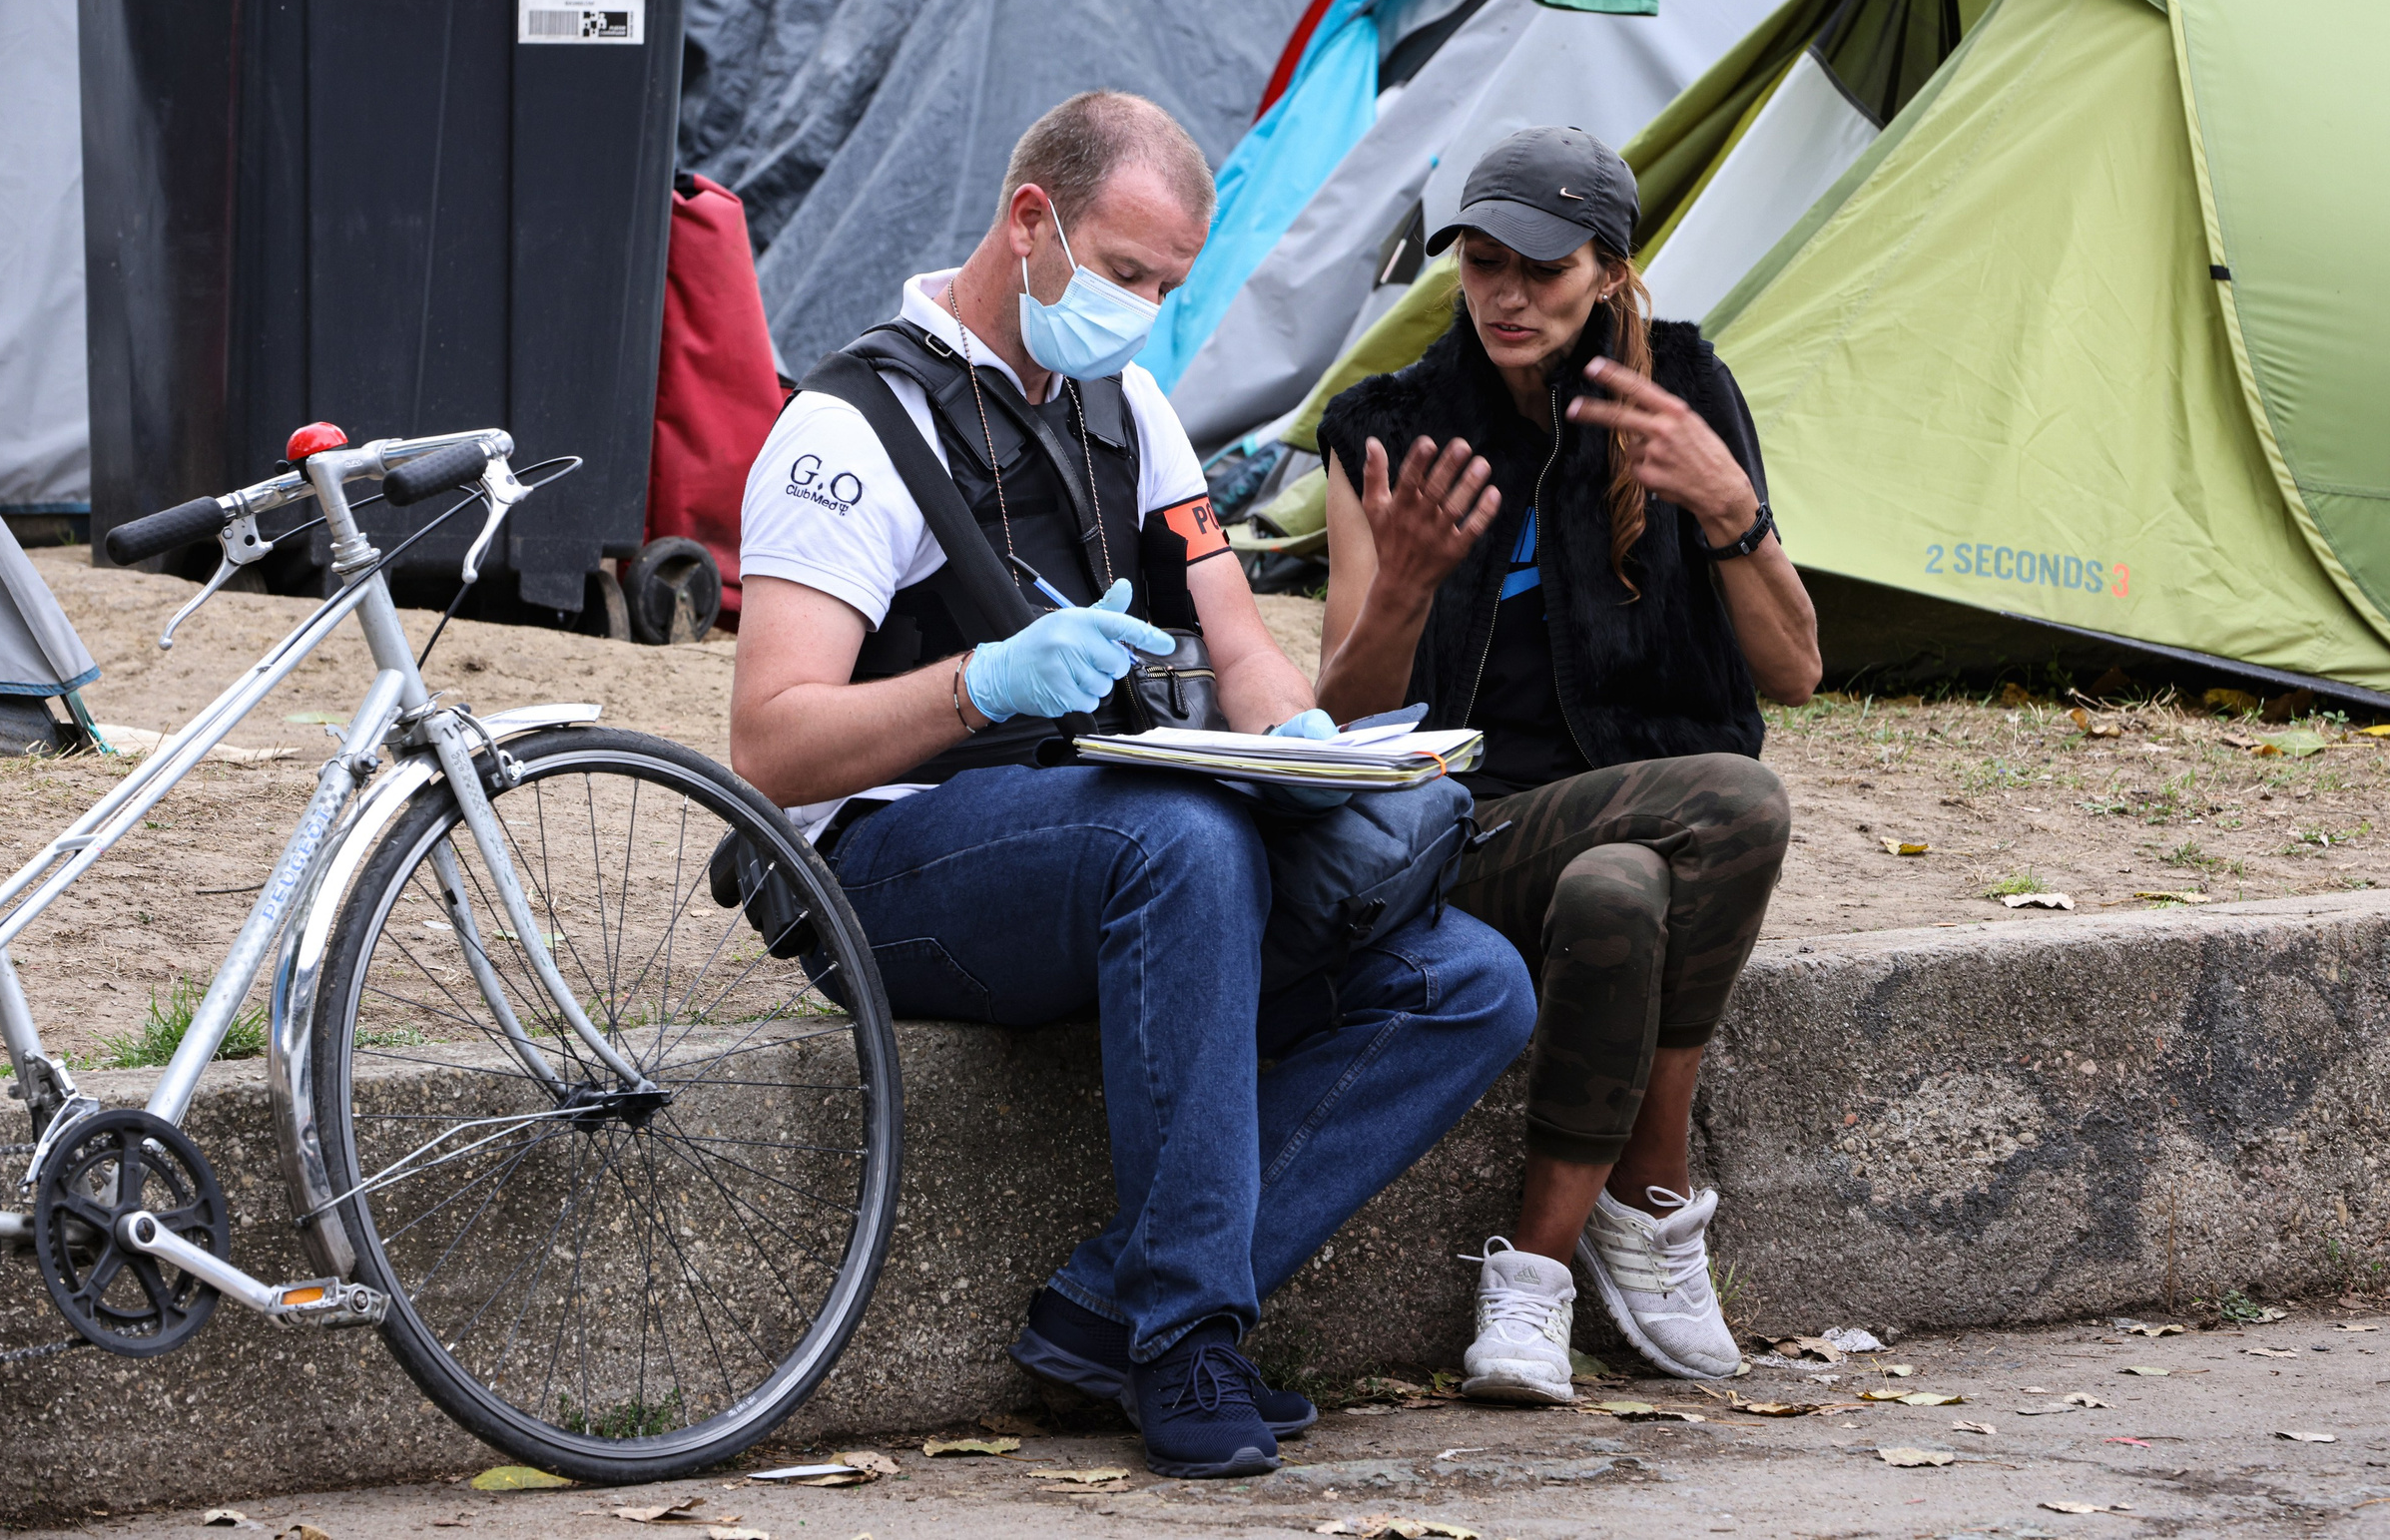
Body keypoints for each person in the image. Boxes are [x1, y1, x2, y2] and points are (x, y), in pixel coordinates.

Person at [730, 91, 1536, 1478]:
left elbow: (1238, 644)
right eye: (1125, 274)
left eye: (1168, 287)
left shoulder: (1131, 409)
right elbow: (772, 748)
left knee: (1470, 982)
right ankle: (1186, 1336)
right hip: (892, 870)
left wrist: (1306, 749)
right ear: (1031, 221)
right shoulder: (844, 433)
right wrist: (980, 684)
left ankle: (1106, 1307)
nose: (1145, 313)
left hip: (1118, 843)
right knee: (1179, 841)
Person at [1312, 126, 1818, 1404]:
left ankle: (1535, 1272)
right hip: (1463, 831)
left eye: (1541, 266)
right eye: (1482, 262)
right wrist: (1403, 594)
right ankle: (1651, 1188)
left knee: (1618, 893)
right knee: (1737, 797)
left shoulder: (1684, 391)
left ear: (1610, 270)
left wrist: (1727, 510)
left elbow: (1795, 671)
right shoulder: (1386, 427)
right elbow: (1345, 728)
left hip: (1634, 848)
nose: (1507, 294)